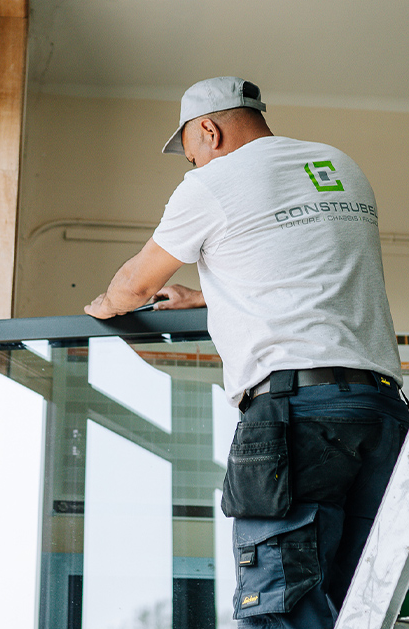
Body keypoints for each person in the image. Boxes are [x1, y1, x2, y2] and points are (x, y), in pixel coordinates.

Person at [84, 76, 407, 628]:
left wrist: (105, 304)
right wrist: (204, 294)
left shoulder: (213, 184)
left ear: (207, 130)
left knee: (279, 601)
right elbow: (307, 271)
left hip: (296, 415)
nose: (193, 169)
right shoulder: (337, 165)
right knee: (363, 597)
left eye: (191, 156)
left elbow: (136, 285)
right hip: (381, 412)